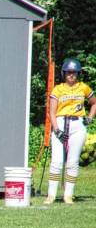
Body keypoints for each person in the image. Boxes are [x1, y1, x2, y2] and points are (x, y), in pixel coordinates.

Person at [45, 58, 96, 204]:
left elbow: (94, 103)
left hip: (78, 124)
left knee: (72, 162)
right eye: (68, 72)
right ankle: (51, 195)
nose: (71, 75)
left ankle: (68, 195)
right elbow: (52, 111)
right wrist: (56, 129)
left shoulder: (84, 87)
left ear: (78, 73)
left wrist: (90, 118)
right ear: (64, 73)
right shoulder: (58, 89)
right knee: (56, 161)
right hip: (60, 122)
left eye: (74, 72)